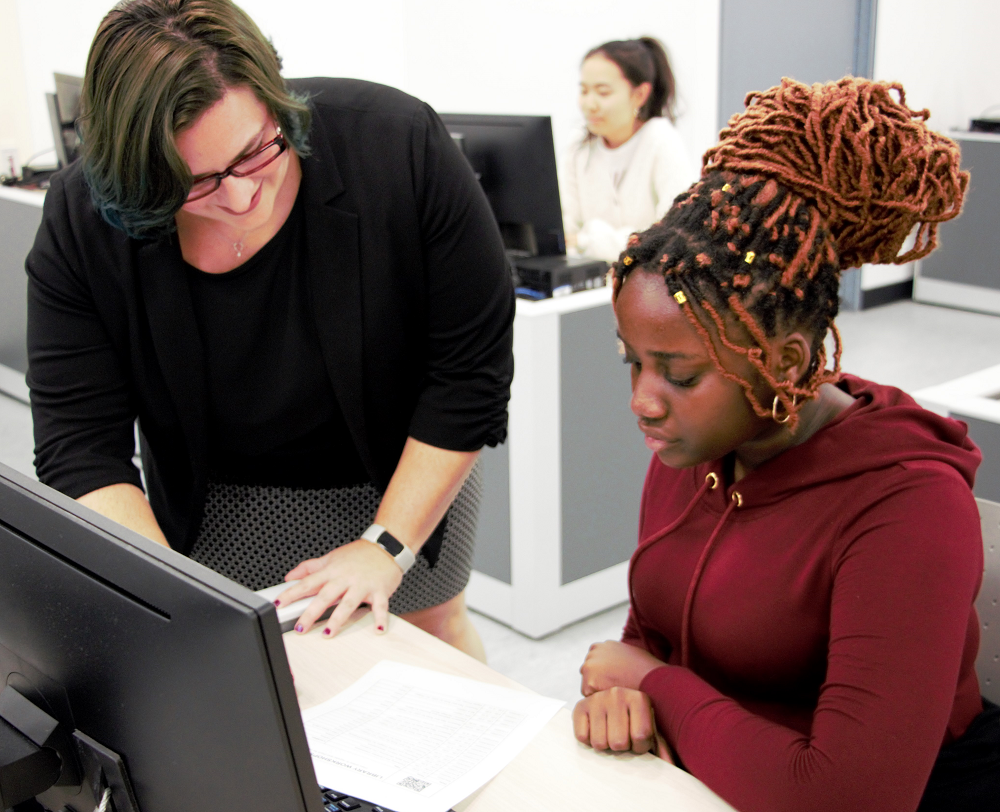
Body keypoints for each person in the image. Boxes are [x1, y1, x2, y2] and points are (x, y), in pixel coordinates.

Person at [26, 0, 515, 660]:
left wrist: (388, 545)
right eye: (192, 184)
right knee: (247, 670)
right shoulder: (85, 218)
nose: (239, 199)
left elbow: (470, 375)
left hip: (403, 470)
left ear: (275, 97)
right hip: (215, 491)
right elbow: (80, 447)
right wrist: (166, 598)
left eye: (256, 152)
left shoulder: (396, 145)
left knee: (428, 645)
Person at [572, 76, 1000, 811]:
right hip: (719, 777)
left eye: (679, 373)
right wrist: (627, 695)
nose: (642, 401)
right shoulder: (694, 449)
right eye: (632, 363)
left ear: (790, 364)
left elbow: (848, 795)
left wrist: (653, 688)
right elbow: (650, 631)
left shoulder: (909, 506)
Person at [562, 37, 697, 262]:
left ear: (639, 95)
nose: (589, 104)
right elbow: (565, 232)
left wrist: (589, 240)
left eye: (603, 92)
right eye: (584, 91)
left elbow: (673, 238)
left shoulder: (661, 140)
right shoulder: (579, 146)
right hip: (589, 288)